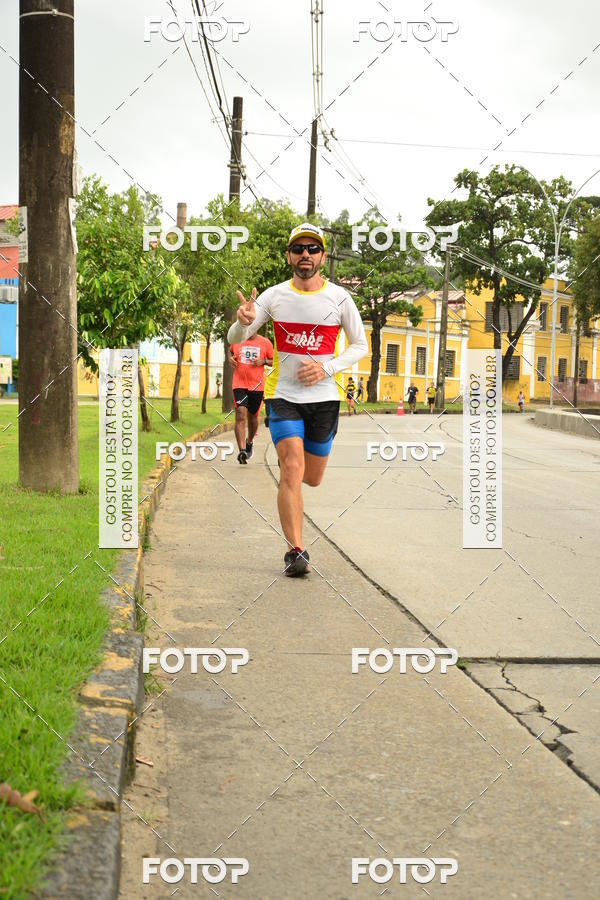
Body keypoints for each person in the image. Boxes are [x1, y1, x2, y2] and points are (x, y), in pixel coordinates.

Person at [228, 222, 368, 576]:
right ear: (288, 256)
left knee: (312, 476)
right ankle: (296, 551)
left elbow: (360, 346)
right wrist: (241, 322)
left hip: (324, 398)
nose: (305, 254)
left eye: (312, 249)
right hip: (283, 394)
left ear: (322, 256)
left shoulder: (339, 298)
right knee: (291, 467)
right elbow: (238, 333)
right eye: (298, 249)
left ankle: (298, 483)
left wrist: (327, 369)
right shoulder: (274, 296)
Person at [229, 333, 274, 463]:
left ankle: (249, 442)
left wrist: (264, 361)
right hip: (239, 383)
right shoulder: (237, 339)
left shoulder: (265, 343)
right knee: (240, 414)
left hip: (257, 386)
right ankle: (242, 450)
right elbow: (230, 351)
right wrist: (230, 358)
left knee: (253, 417)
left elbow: (275, 361)